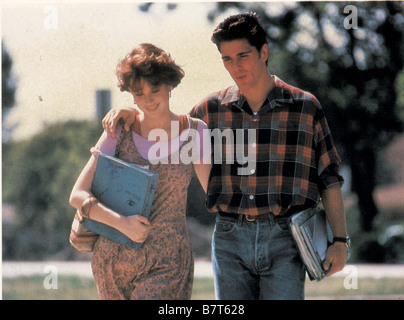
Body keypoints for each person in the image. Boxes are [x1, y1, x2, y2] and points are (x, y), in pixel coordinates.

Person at [102, 13, 349, 300]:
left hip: (286, 239)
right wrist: (133, 113)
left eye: (242, 56)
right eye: (227, 59)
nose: (235, 67)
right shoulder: (210, 109)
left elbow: (329, 179)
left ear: (264, 52)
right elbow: (165, 128)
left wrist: (340, 241)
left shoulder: (305, 107)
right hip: (230, 238)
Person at [69, 43, 212, 300]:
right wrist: (121, 224)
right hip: (111, 261)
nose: (148, 100)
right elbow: (77, 194)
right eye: (139, 93)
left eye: (155, 89)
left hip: (167, 262)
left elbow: (215, 194)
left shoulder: (195, 132)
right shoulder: (119, 129)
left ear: (169, 85)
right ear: (130, 94)